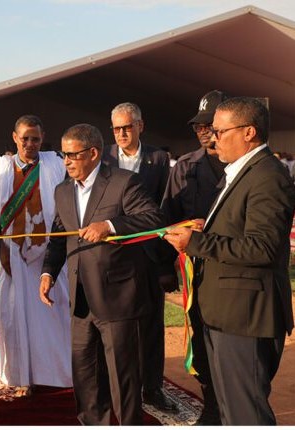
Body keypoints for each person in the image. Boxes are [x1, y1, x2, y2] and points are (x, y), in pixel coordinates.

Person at [163, 97, 295, 425]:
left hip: (245, 317)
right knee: (229, 410)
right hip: (226, 312)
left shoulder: (267, 176)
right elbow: (238, 230)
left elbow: (262, 247)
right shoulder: (242, 172)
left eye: (220, 131)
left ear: (249, 132)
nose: (213, 138)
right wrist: (204, 228)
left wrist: (198, 241)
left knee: (245, 414)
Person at [40, 123, 165, 425]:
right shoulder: (62, 191)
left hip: (118, 299)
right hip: (81, 300)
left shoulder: (124, 182)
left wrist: (110, 226)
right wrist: (48, 273)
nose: (66, 162)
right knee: (85, 375)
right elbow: (60, 236)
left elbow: (153, 218)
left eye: (72, 155)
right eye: (63, 156)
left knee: (123, 377)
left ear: (93, 153)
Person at [0, 114, 72, 395]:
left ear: (42, 138)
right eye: (25, 138)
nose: (30, 144)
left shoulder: (56, 165)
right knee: (15, 317)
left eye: (35, 139)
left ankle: (55, 374)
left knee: (52, 315)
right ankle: (23, 376)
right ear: (14, 137)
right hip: (11, 254)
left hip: (49, 255)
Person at [159, 90, 228, 425]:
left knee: (233, 347)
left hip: (233, 272)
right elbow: (166, 218)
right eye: (198, 125)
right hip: (196, 273)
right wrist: (166, 267)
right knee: (201, 341)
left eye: (208, 123)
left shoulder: (242, 167)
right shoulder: (185, 167)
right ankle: (212, 405)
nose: (201, 130)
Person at [102, 102, 174, 411]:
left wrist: (164, 262)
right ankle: (115, 385)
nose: (121, 134)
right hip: (111, 255)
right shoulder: (102, 157)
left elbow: (165, 210)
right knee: (112, 324)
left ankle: (152, 387)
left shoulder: (159, 159)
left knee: (151, 325)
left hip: (148, 254)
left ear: (140, 126)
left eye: (127, 127)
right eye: (116, 128)